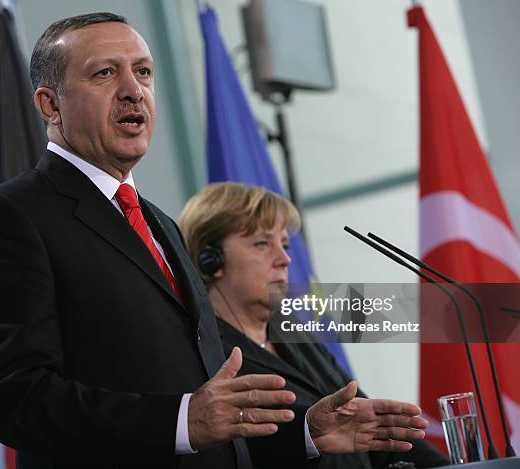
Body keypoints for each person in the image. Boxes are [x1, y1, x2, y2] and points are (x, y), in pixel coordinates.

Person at [0, 13, 428, 469]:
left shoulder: (161, 225)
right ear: (49, 105)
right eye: (104, 74)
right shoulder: (9, 217)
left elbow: (211, 421)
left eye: (143, 72)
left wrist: (304, 436)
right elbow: (16, 398)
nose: (133, 91)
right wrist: (181, 421)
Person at [178, 182, 449, 469]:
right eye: (262, 244)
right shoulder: (205, 354)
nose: (285, 259)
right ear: (211, 260)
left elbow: (375, 428)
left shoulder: (292, 332)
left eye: (283, 244)